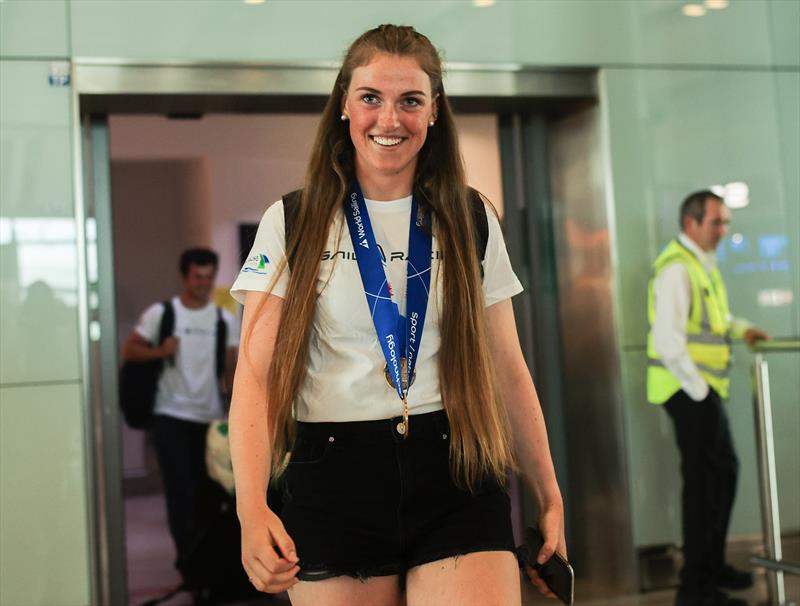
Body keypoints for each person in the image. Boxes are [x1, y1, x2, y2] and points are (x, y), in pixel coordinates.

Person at [228, 24, 566, 606]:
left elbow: (507, 364)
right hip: (335, 474)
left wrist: (549, 493)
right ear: (344, 106)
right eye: (370, 98)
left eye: (410, 100)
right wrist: (250, 506)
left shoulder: (470, 217)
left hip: (457, 465)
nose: (390, 119)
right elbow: (254, 375)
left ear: (434, 112)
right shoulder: (292, 220)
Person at [647, 191, 768, 606]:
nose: (723, 230)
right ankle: (696, 588)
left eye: (725, 222)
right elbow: (667, 341)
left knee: (722, 476)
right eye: (717, 222)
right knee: (704, 488)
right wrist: (699, 391)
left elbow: (715, 322)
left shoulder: (700, 265)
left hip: (701, 390)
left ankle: (711, 568)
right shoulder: (677, 270)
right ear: (691, 224)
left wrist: (743, 329)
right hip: (688, 390)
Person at [122, 247, 239, 580]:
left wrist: (236, 412)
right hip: (170, 415)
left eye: (208, 277)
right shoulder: (163, 313)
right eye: (196, 277)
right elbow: (129, 349)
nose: (203, 284)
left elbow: (231, 368)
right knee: (179, 493)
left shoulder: (224, 319)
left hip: (208, 418)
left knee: (207, 492)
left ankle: (205, 562)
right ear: (185, 277)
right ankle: (187, 563)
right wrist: (161, 350)